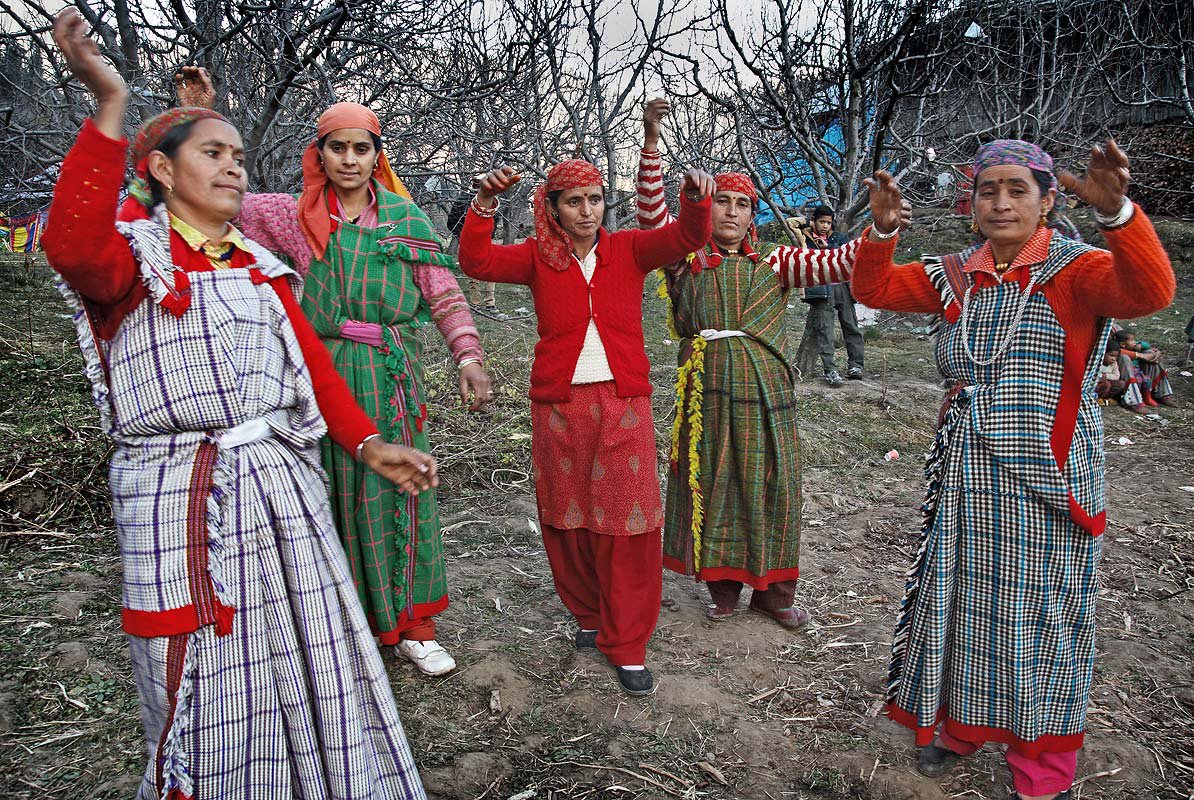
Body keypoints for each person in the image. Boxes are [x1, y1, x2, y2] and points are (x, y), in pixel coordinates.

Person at [43, 11, 433, 797]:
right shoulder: (132, 262)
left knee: (311, 649)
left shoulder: (262, 268)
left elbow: (314, 371)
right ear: (159, 169)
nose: (234, 169)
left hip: (280, 492)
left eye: (240, 157)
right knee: (201, 671)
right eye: (213, 154)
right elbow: (70, 243)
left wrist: (367, 444)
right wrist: (109, 105)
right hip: (177, 499)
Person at [853, 139, 1175, 800]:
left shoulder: (1077, 269)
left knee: (1043, 616)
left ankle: (1042, 766)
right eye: (987, 190)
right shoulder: (954, 274)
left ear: (1047, 199)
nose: (1001, 202)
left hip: (1047, 481)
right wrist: (882, 230)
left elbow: (1151, 290)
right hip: (969, 473)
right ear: (971, 205)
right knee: (964, 603)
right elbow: (873, 288)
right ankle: (964, 727)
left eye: (1017, 190)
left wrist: (1120, 216)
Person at [175, 68, 492, 676]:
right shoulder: (284, 215)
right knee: (326, 499)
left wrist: (469, 354)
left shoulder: (404, 218)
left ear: (378, 155)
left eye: (361, 147)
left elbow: (442, 290)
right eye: (337, 146)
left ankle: (413, 627)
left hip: (389, 377)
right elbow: (199, 194)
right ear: (319, 153)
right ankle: (342, 633)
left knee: (400, 489)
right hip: (311, 380)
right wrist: (196, 120)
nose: (350, 158)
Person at [635, 99, 901, 628]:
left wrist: (881, 230)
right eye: (722, 202)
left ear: (753, 216)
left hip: (765, 394)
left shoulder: (776, 261)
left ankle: (775, 595)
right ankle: (724, 588)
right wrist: (651, 140)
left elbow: (842, 262)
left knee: (771, 481)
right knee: (713, 479)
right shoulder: (683, 260)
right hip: (705, 391)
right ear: (704, 211)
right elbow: (651, 214)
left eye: (742, 204)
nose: (731, 211)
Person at [458, 158, 715, 695]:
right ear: (552, 208)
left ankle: (627, 642)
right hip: (559, 405)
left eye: (595, 199)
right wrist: (483, 204)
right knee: (568, 512)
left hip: (623, 402)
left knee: (628, 517)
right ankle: (590, 615)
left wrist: (694, 198)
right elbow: (476, 261)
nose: (587, 210)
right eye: (574, 201)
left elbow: (688, 235)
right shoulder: (536, 257)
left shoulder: (628, 250)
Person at [795, 205, 866, 385]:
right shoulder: (806, 239)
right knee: (825, 331)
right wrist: (807, 223)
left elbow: (848, 255)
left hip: (842, 286)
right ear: (814, 221)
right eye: (821, 222)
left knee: (850, 325)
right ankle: (830, 370)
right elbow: (790, 224)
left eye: (828, 222)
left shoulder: (838, 238)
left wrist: (829, 247)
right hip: (820, 288)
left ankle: (856, 365)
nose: (825, 226)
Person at [1116, 329, 1178, 407]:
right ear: (1122, 344)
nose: (1134, 342)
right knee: (1125, 358)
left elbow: (1147, 346)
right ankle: (1134, 400)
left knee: (1150, 354)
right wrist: (1140, 355)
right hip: (1125, 373)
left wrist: (1140, 344)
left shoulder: (1130, 343)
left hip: (1138, 371)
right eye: (1132, 340)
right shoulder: (1115, 341)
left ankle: (1159, 394)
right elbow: (1115, 349)